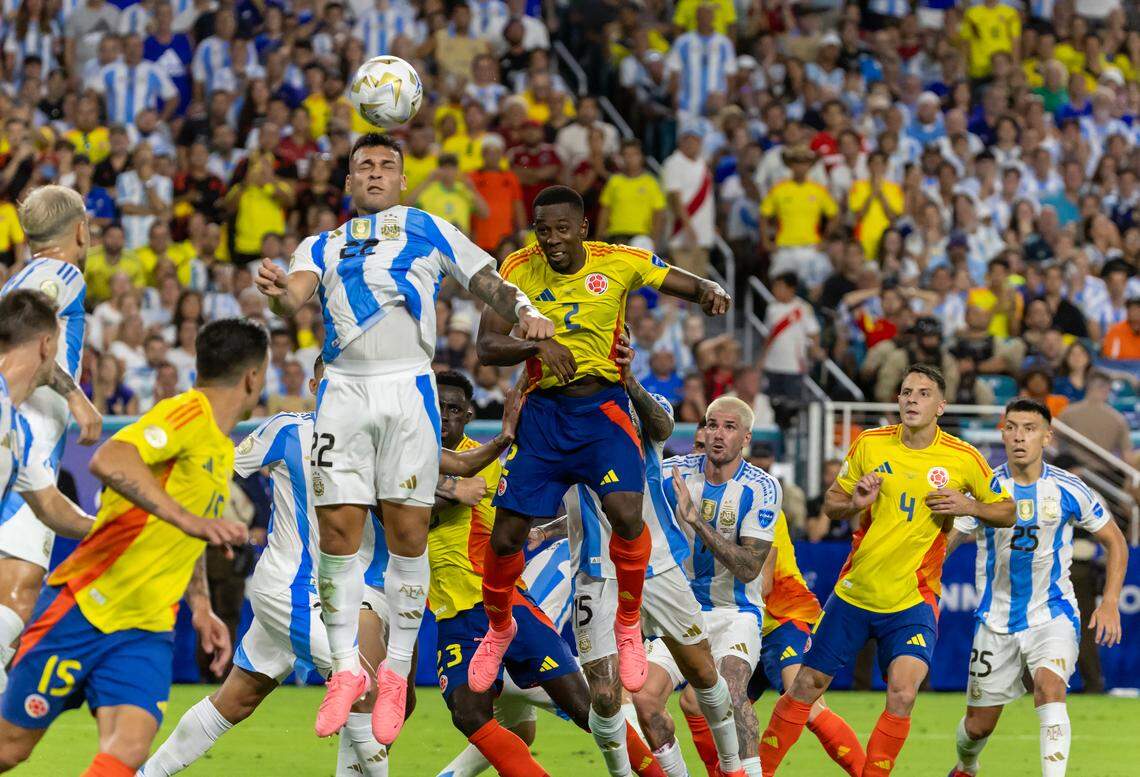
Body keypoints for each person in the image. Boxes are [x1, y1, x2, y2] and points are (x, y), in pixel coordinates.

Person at [254, 132, 553, 746]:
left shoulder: (427, 226)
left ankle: (393, 674)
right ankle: (344, 670)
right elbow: (294, 299)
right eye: (363, 164)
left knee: (409, 529)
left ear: (401, 180)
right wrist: (280, 294)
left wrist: (523, 306)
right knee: (339, 529)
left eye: (386, 165)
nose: (374, 172)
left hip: (407, 389)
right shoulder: (323, 243)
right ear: (346, 181)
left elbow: (486, 277)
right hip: (342, 388)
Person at [141, 359, 517, 777]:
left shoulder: (379, 435)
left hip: (363, 590)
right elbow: (222, 465)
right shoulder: (287, 430)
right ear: (315, 383)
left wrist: (499, 441)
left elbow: (441, 468)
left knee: (239, 699)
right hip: (294, 586)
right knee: (364, 689)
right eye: (331, 382)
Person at [471, 185, 730, 717]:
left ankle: (629, 624)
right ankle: (499, 628)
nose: (552, 240)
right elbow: (487, 347)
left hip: (603, 411)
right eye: (543, 230)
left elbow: (680, 280)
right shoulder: (517, 268)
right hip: (543, 414)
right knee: (505, 536)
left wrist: (707, 288)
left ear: (583, 227)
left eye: (562, 229)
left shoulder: (618, 262)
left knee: (627, 516)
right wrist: (537, 344)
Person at [0, 318, 260, 775]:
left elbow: (190, 535)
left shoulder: (219, 447)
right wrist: (189, 518)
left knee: (129, 750)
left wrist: (200, 606)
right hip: (85, 605)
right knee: (9, 749)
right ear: (253, 377)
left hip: (147, 626)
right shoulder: (186, 413)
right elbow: (109, 457)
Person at [760, 365, 1016, 776]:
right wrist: (856, 501)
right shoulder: (870, 444)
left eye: (923, 393)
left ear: (941, 406)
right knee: (806, 687)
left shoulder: (963, 458)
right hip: (855, 593)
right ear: (897, 400)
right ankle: (759, 771)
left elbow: (1007, 511)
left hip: (912, 598)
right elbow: (831, 502)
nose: (912, 399)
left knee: (902, 694)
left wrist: (970, 506)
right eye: (906, 392)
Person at [427, 371, 663, 777]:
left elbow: (425, 512)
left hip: (505, 607)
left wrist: (429, 488)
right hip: (453, 618)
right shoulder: (407, 459)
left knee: (589, 708)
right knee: (468, 714)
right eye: (437, 408)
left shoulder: (482, 460)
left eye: (454, 409)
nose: (445, 417)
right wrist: (443, 487)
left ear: (467, 416)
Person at [542, 365, 743, 777]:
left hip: (659, 565)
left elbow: (663, 425)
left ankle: (732, 767)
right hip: (597, 573)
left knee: (704, 673)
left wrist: (628, 379)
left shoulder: (644, 403)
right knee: (603, 694)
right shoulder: (560, 409)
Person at [945, 399, 1129, 777]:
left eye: (1029, 428)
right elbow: (948, 543)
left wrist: (1109, 601)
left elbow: (1115, 540)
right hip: (995, 620)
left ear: (1047, 436)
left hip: (1053, 613)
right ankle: (967, 765)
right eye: (1011, 427)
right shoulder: (986, 488)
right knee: (978, 727)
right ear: (1002, 432)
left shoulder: (1068, 488)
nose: (1019, 436)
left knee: (1049, 689)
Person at [0, 186, 103, 692]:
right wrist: (76, 396)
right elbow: (31, 335)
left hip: (24, 443)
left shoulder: (19, 277)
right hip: (26, 441)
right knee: (17, 593)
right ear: (81, 230)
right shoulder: (60, 273)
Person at [645, 395, 781, 777]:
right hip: (679, 609)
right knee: (644, 699)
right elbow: (619, 496)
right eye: (711, 425)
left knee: (734, 692)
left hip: (735, 613)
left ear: (746, 438)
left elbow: (749, 567)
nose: (717, 434)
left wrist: (695, 520)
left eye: (729, 427)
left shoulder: (762, 488)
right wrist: (551, 530)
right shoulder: (673, 473)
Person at [740, 510, 865, 777]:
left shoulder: (761, 503)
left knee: (808, 706)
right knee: (713, 710)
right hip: (746, 630)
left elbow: (763, 584)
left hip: (783, 620)